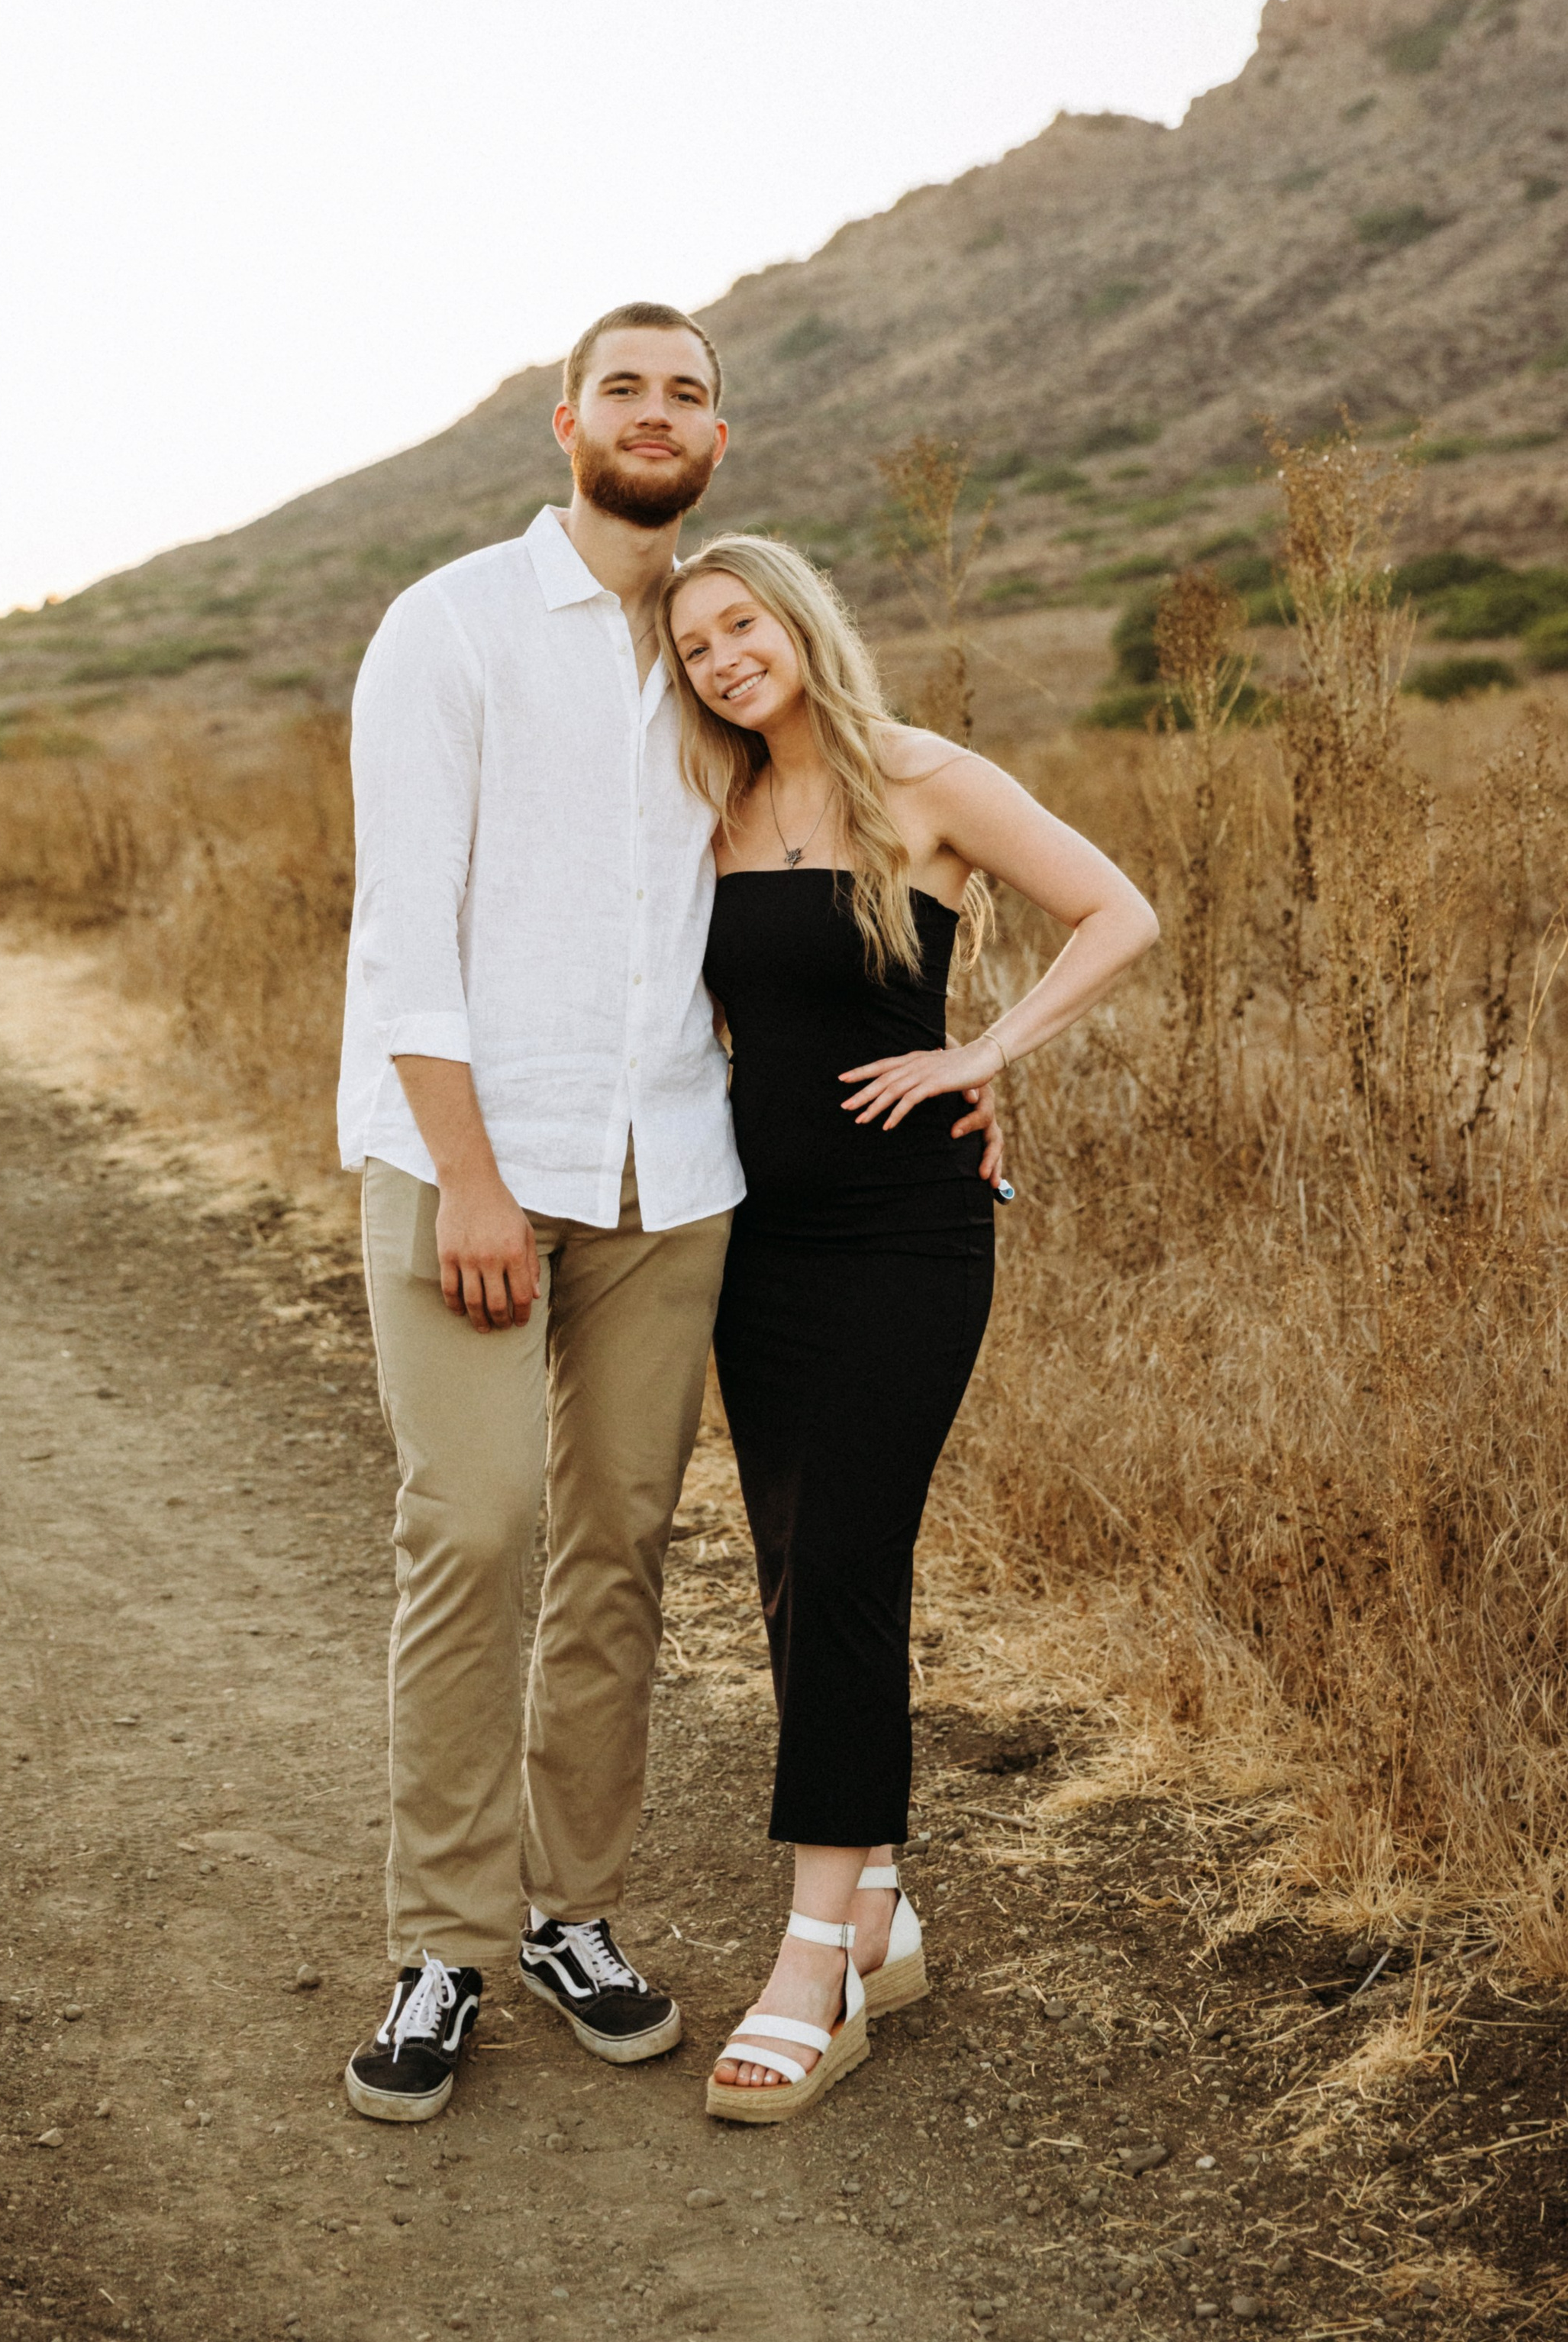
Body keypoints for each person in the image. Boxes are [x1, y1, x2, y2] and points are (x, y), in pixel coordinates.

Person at [660, 535, 1159, 2124]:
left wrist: (980, 1051)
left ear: (795, 619)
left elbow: (1115, 911)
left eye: (741, 623)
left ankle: (811, 1963)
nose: (723, 657)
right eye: (692, 646)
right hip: (759, 1241)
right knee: (799, 1564)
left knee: (854, 1564)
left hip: (903, 1237)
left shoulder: (923, 775)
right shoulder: (710, 807)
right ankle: (879, 1906)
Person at [333, 302, 747, 2124]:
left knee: (619, 1547)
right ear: (564, 421)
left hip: (672, 1174)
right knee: (479, 1525)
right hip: (467, 1166)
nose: (657, 414)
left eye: (691, 390)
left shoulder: (732, 645)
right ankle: (440, 1944)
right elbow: (401, 933)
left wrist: (954, 1091)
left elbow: (824, 886)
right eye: (628, 387)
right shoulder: (455, 625)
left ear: (714, 437)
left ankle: (576, 1909)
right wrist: (475, 1178)